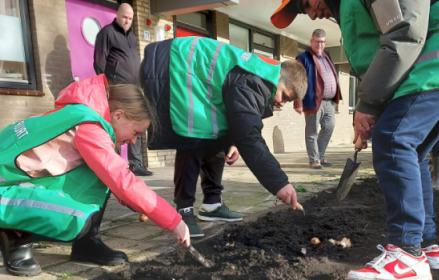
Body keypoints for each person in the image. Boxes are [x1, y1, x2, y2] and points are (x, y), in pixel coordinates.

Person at [271, 0, 439, 279]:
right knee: (413, 151)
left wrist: (368, 105)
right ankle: (425, 244)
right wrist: (376, 108)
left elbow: (405, 31)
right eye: (307, 12)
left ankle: (407, 253)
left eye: (306, 4)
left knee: (394, 139)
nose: (314, 13)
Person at [0, 75, 189, 277]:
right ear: (119, 115)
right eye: (136, 132)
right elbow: (122, 180)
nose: (133, 141)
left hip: (17, 184)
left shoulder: (79, 114)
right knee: (75, 220)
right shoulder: (89, 127)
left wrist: (137, 202)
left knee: (99, 173)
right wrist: (173, 221)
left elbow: (114, 177)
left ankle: (86, 244)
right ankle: (15, 236)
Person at [141, 37, 308, 238]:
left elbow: (237, 119)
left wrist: (232, 142)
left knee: (216, 134)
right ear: (279, 79)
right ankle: (184, 211)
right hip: (171, 68)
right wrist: (279, 183)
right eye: (285, 97)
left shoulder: (262, 73)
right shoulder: (253, 80)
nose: (282, 104)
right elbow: (249, 136)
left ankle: (212, 204)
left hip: (189, 72)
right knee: (194, 137)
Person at [93, 3, 152, 177]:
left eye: (130, 18)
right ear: (117, 15)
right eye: (125, 17)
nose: (127, 21)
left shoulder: (132, 37)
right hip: (118, 87)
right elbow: (99, 62)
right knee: (117, 125)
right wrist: (108, 86)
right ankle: (116, 163)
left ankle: (136, 164)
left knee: (137, 123)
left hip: (134, 88)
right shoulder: (107, 32)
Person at [295, 29, 342, 169]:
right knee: (312, 131)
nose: (319, 45)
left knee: (329, 126)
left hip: (329, 102)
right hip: (313, 100)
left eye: (322, 42)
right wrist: (298, 102)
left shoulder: (326, 56)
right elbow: (297, 80)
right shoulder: (303, 58)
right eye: (317, 41)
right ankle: (314, 160)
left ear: (325, 42)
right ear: (311, 41)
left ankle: (320, 156)